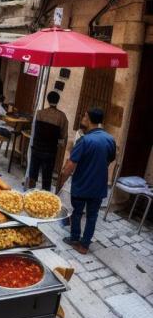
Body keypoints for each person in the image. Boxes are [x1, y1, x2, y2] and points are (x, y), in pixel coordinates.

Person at [58, 108, 116, 254]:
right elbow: (110, 159)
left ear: (88, 119)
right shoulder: (110, 139)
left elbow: (69, 167)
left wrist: (61, 181)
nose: (82, 118)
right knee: (92, 216)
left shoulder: (85, 140)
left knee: (77, 213)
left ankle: (74, 238)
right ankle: (84, 246)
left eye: (84, 116)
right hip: (99, 186)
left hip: (82, 184)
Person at [29, 91, 68, 191]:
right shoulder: (62, 117)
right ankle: (45, 200)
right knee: (47, 178)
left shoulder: (40, 113)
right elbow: (63, 136)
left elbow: (34, 130)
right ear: (58, 101)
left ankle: (29, 194)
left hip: (37, 148)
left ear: (47, 99)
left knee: (32, 175)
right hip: (50, 151)